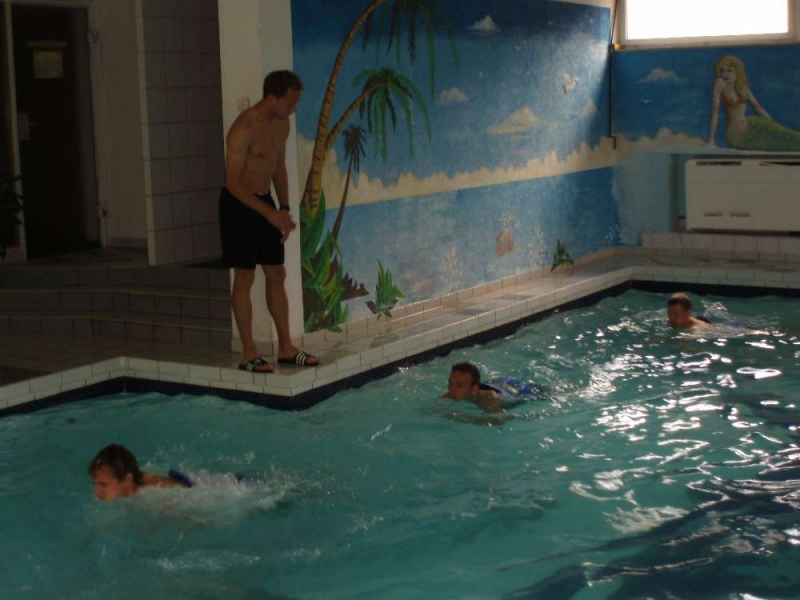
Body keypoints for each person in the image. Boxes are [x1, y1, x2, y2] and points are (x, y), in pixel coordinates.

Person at [220, 70, 318, 373]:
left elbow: (278, 167)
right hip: (238, 205)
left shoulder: (281, 124)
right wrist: (269, 213)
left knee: (276, 272)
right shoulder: (244, 128)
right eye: (289, 103)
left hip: (266, 203)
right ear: (271, 97)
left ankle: (286, 347)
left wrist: (284, 208)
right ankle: (249, 353)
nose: (293, 110)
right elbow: (232, 183)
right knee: (245, 276)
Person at [708, 55, 800, 151]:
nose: (725, 74)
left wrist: (774, 126)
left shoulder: (742, 88)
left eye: (729, 71)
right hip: (736, 135)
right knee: (779, 144)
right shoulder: (720, 85)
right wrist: (711, 140)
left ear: (737, 72)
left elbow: (757, 107)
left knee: (786, 134)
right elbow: (715, 112)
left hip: (751, 125)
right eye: (722, 71)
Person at [88, 444, 191, 502]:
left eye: (103, 484)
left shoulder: (153, 495)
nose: (97, 491)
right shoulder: (131, 480)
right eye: (95, 483)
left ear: (127, 479)